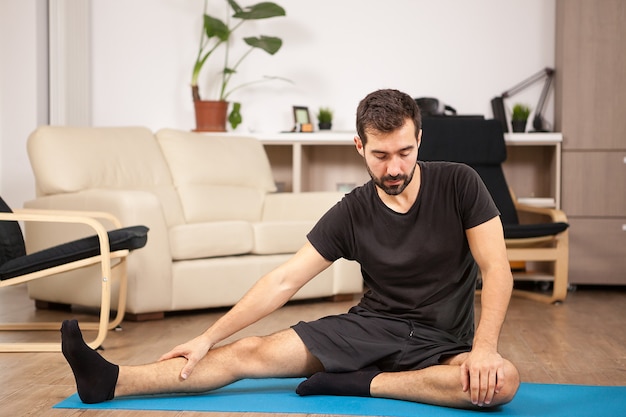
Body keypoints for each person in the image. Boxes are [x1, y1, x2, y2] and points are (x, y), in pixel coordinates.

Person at [61, 88, 520, 410]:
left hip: (444, 343)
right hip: (369, 330)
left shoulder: (460, 183)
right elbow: (283, 280)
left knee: (501, 384)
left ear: (418, 139)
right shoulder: (352, 211)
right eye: (380, 155)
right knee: (250, 352)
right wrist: (208, 337)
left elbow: (496, 268)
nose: (395, 166)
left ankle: (364, 384)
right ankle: (112, 379)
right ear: (359, 146)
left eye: (404, 151)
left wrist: (484, 349)